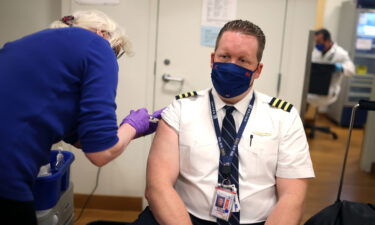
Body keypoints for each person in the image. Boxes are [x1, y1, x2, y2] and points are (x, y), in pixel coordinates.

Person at [139, 20, 315, 225]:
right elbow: (157, 186)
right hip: (184, 218)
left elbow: (292, 197)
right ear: (213, 59)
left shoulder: (284, 117)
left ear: (258, 70)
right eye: (225, 57)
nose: (232, 65)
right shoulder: (181, 109)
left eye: (243, 60)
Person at [0, 10, 162, 224]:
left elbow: (84, 140)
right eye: (117, 50)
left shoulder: (30, 46)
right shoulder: (97, 44)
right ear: (103, 33)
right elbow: (100, 153)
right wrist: (133, 125)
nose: (113, 57)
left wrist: (129, 132)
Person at [308, 28, 355, 106]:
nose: (317, 45)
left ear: (328, 41)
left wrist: (341, 68)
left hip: (329, 92)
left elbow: (351, 70)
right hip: (312, 90)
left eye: (319, 42)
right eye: (316, 42)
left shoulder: (341, 54)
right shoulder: (316, 51)